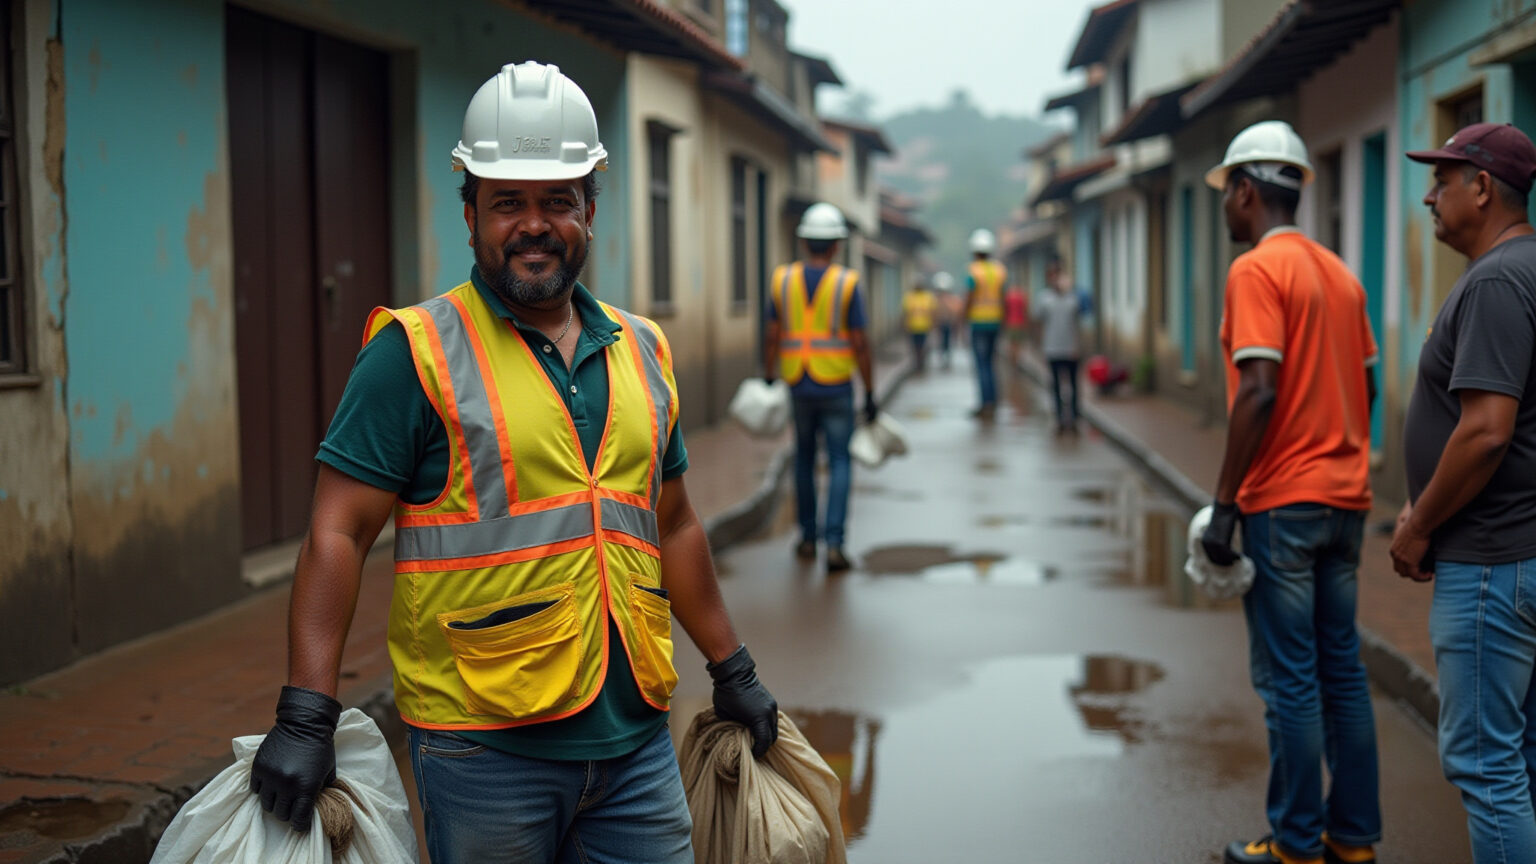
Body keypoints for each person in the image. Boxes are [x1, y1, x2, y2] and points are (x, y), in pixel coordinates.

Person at [246, 61, 779, 864]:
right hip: (485, 753)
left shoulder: (643, 349)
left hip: (635, 744)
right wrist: (305, 710)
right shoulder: (414, 353)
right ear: (471, 216)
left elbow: (673, 523)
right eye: (508, 202)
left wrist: (731, 665)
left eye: (557, 200)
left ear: (590, 211)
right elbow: (338, 533)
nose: (534, 223)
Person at [1198, 121, 1381, 864]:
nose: (1227, 209)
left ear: (1246, 191)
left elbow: (1259, 390)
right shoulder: (1340, 274)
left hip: (1284, 505)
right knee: (1343, 669)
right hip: (1347, 503)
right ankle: (1355, 837)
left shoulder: (1255, 271)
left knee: (1291, 681)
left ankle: (1298, 843)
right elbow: (1366, 383)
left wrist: (1225, 501)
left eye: (1226, 194)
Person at [1396, 122, 1536, 864]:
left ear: (1481, 189)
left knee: (1487, 768)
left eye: (1442, 180)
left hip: (1492, 565)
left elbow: (1485, 432)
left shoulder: (1496, 281)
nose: (1429, 196)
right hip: (1519, 555)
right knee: (1522, 762)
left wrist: (1420, 522)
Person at [764, 202, 876, 573]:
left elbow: (772, 333)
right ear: (836, 246)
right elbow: (860, 342)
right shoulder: (847, 283)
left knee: (805, 459)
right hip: (836, 385)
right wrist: (871, 391)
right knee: (840, 461)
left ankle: (808, 539)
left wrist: (769, 374)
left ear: (804, 242)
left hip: (798, 381)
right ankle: (835, 544)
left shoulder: (782, 279)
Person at [963, 228, 1006, 419]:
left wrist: (963, 319)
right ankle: (994, 400)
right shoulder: (1000, 270)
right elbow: (1003, 297)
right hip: (995, 322)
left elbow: (969, 298)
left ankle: (985, 403)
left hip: (979, 323)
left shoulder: (974, 270)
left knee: (981, 364)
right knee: (991, 362)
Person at [1035, 259, 1081, 434]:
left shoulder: (1073, 297)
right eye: (1051, 275)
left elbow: (1079, 321)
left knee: (1073, 385)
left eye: (1057, 274)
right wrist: (1041, 347)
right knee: (1055, 385)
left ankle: (1074, 418)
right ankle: (1059, 418)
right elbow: (1039, 322)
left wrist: (1078, 346)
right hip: (1052, 348)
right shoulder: (1044, 298)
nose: (1055, 278)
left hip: (1071, 348)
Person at [902, 279, 937, 371]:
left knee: (922, 346)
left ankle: (921, 362)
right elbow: (906, 312)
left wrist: (933, 324)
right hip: (913, 327)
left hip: (924, 327)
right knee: (915, 346)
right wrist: (905, 324)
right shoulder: (909, 297)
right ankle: (917, 363)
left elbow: (932, 312)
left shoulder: (928, 297)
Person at [932, 271, 959, 368]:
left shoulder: (952, 300)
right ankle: (942, 355)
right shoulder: (936, 301)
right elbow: (934, 313)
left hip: (948, 324)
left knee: (947, 341)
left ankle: (946, 356)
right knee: (941, 341)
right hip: (940, 324)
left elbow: (955, 313)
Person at [1003, 279, 1029, 368]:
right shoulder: (1022, 296)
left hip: (1010, 322)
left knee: (1011, 342)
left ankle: (1012, 359)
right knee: (1018, 343)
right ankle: (1016, 358)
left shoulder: (1008, 296)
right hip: (1020, 322)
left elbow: (1005, 310)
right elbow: (1025, 310)